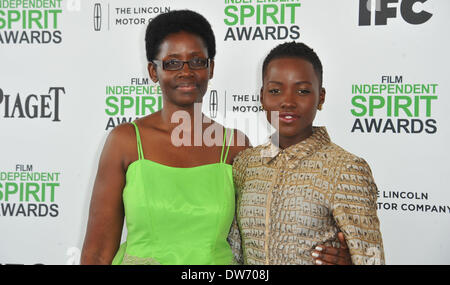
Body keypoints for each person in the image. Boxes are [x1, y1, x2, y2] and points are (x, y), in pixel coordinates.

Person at [80, 10, 248, 265]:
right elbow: (98, 253)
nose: (186, 72)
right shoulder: (125, 141)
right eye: (172, 62)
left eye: (196, 61)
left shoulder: (235, 145)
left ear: (210, 68)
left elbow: (261, 236)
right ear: (152, 71)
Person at [229, 42, 385, 265]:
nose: (288, 102)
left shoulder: (346, 168)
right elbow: (235, 249)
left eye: (302, 91)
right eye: (275, 91)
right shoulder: (246, 164)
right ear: (262, 97)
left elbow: (372, 257)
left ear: (320, 98)